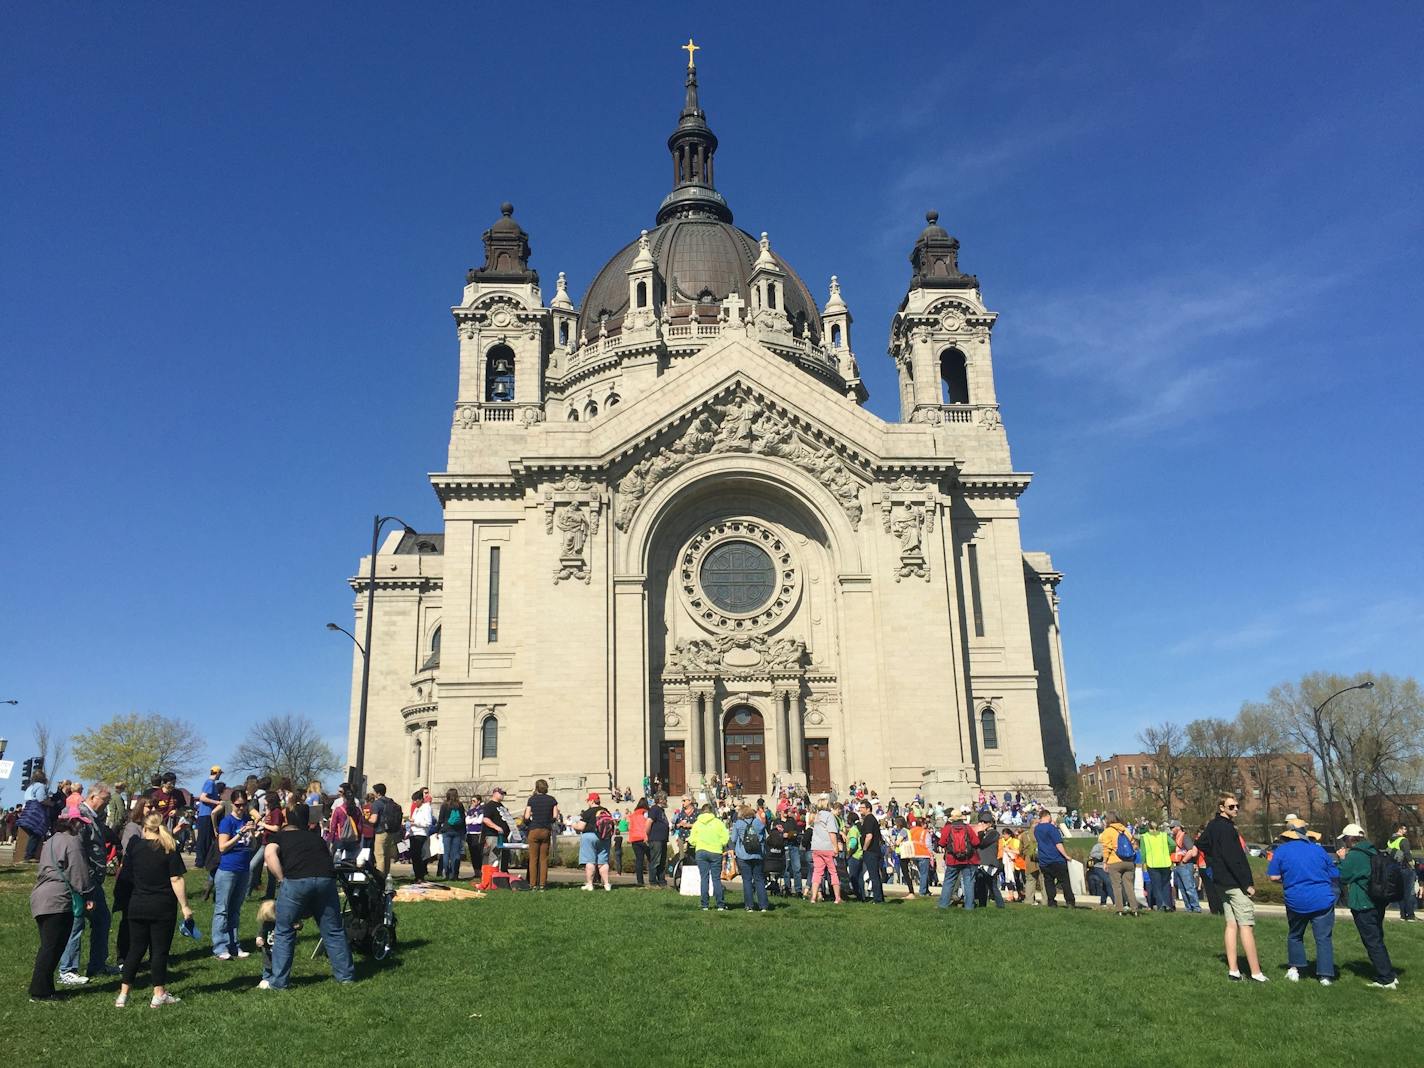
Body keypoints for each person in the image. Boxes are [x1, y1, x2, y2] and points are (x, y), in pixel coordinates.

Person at [262, 803, 355, 989]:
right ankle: (345, 976)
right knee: (333, 930)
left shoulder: (279, 836)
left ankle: (279, 982)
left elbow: (269, 854)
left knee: (284, 931)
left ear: (287, 819)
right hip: (326, 880)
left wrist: (281, 879)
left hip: (296, 880)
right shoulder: (317, 838)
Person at [114, 812, 193, 1008]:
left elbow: (127, 872)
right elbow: (176, 879)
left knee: (135, 949)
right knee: (159, 951)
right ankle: (159, 993)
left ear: (144, 828)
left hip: (137, 903)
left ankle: (123, 994)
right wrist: (185, 906)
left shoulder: (134, 846)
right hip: (162, 905)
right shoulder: (168, 848)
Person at [1197, 795, 1267, 982]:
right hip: (1234, 883)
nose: (1236, 809)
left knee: (1231, 924)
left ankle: (1234, 970)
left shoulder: (1212, 825)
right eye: (1231, 806)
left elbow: (1201, 843)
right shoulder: (1227, 829)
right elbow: (1234, 859)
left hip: (1220, 882)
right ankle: (1256, 973)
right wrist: (1247, 884)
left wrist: (1213, 861)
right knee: (1246, 926)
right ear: (1222, 808)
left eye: (1237, 805)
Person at [29, 814, 95, 1001]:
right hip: (58, 898)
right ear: (73, 823)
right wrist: (88, 893)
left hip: (41, 896)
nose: (83, 828)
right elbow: (78, 870)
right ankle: (39, 991)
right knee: (52, 946)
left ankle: (46, 987)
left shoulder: (51, 841)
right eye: (81, 824)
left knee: (50, 945)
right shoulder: (72, 842)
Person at [1266, 817, 1337, 985]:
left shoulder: (1281, 852)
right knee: (1323, 938)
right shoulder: (1319, 851)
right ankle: (1325, 975)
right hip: (1322, 899)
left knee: (1295, 935)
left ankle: (1295, 969)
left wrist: (1287, 879)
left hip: (1296, 899)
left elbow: (1273, 876)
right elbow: (1334, 874)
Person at [58, 783, 116, 983]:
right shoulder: (80, 815)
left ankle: (97, 965)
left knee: (102, 920)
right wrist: (86, 875)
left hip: (94, 881)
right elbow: (76, 849)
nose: (107, 806)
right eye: (105, 801)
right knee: (77, 922)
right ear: (93, 797)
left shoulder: (95, 817)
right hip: (82, 879)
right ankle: (67, 969)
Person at [1336, 823, 1399, 988]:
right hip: (1378, 901)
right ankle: (1389, 973)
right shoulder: (1373, 850)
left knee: (1372, 941)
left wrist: (1342, 860)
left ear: (1350, 839)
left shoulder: (1355, 855)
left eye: (1344, 840)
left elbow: (1343, 876)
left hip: (1363, 903)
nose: (1344, 843)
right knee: (1378, 938)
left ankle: (1386, 979)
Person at [211, 786, 255, 960]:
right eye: (238, 805)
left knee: (235, 909)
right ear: (232, 804)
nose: (241, 808)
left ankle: (234, 944)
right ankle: (220, 947)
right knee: (222, 909)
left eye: (244, 804)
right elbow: (222, 847)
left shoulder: (247, 819)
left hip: (243, 869)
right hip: (228, 869)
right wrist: (239, 834)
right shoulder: (227, 822)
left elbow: (252, 846)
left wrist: (252, 834)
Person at [1033, 808, 1076, 909]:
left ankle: (1051, 901)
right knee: (1064, 881)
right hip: (1056, 859)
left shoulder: (1037, 829)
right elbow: (1058, 843)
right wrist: (1066, 855)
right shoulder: (1051, 828)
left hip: (1044, 860)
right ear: (1048, 816)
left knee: (1049, 882)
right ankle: (1070, 901)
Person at [689, 803, 729, 910]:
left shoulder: (697, 823)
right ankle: (720, 904)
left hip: (701, 851)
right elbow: (726, 837)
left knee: (704, 878)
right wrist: (720, 844)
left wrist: (697, 843)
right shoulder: (718, 823)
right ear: (712, 811)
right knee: (716, 879)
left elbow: (691, 839)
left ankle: (704, 904)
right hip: (715, 851)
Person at [1098, 813, 1141, 916]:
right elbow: (1134, 844)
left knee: (1117, 886)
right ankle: (1134, 909)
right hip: (1129, 861)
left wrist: (1105, 862)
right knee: (1129, 886)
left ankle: (1120, 909)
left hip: (1115, 861)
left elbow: (1106, 848)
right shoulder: (1125, 830)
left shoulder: (1108, 832)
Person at [937, 809, 980, 910]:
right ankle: (969, 906)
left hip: (952, 859)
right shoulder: (967, 828)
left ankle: (943, 905)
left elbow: (942, 843)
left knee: (948, 882)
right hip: (968, 859)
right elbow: (976, 842)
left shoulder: (947, 828)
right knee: (968, 882)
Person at [523, 780, 561, 891]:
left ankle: (533, 884)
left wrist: (530, 824)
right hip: (545, 830)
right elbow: (555, 816)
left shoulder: (532, 799)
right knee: (543, 859)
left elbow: (526, 816)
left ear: (536, 788)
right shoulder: (552, 800)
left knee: (533, 858)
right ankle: (543, 884)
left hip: (534, 829)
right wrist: (548, 821)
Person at [731, 804, 769, 912]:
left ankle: (749, 906)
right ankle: (763, 906)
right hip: (757, 855)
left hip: (743, 855)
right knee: (759, 880)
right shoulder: (758, 823)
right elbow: (763, 837)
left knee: (747, 880)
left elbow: (733, 839)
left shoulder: (738, 824)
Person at [575, 792, 614, 892]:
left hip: (590, 836)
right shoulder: (605, 811)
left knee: (590, 861)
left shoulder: (588, 812)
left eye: (588, 800)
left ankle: (590, 884)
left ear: (592, 801)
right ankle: (606, 884)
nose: (587, 802)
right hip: (604, 837)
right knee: (603, 862)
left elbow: (580, 827)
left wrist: (572, 825)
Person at [809, 796, 843, 904]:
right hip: (827, 847)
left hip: (816, 847)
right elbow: (832, 833)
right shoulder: (830, 816)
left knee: (817, 872)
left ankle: (813, 897)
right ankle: (837, 898)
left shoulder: (816, 816)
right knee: (833, 872)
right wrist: (835, 847)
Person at [1169, 819, 1203, 913]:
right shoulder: (1175, 838)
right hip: (1178, 866)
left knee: (1189, 888)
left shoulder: (1184, 837)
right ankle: (1189, 909)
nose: (1171, 829)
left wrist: (1184, 860)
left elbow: (1192, 851)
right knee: (1182, 889)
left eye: (1172, 827)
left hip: (1185, 865)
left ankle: (1196, 908)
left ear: (1178, 827)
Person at [857, 800, 886, 904]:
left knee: (873, 876)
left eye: (862, 808)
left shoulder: (869, 819)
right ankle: (880, 897)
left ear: (868, 808)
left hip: (871, 851)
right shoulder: (871, 819)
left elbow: (869, 836)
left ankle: (877, 899)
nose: (860, 810)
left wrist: (864, 848)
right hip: (875, 851)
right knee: (876, 875)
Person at [193, 765, 222, 870]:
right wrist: (218, 802)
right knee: (203, 838)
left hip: (207, 814)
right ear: (217, 773)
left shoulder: (211, 783)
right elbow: (203, 797)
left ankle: (205, 860)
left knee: (207, 838)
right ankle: (200, 861)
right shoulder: (210, 783)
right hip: (205, 814)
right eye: (220, 773)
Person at [1140, 820, 1174, 911]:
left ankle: (1161, 905)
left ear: (1148, 827)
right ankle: (1168, 905)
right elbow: (1173, 844)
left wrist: (1143, 863)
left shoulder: (1145, 837)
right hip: (1165, 863)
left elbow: (1143, 852)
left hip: (1152, 864)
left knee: (1157, 886)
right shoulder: (1164, 835)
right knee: (1166, 885)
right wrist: (1168, 851)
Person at [973, 812, 1004, 908]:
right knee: (981, 886)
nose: (982, 824)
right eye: (981, 822)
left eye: (985, 822)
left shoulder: (994, 833)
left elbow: (982, 844)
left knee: (993, 886)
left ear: (990, 823)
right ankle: (982, 905)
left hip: (990, 863)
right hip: (981, 862)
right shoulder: (984, 834)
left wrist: (980, 832)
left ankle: (1000, 905)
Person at [371, 783, 402, 881]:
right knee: (387, 855)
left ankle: (380, 878)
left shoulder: (377, 803)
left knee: (379, 855)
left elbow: (374, 819)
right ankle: (387, 875)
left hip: (381, 831)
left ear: (378, 793)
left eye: (374, 791)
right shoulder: (391, 802)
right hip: (391, 831)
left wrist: (365, 819)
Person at [434, 788, 466, 881]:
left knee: (446, 853)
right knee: (456, 854)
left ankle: (446, 873)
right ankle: (455, 874)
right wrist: (464, 832)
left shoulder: (444, 805)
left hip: (446, 830)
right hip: (457, 831)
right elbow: (463, 819)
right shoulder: (460, 805)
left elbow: (440, 819)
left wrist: (437, 830)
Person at [1386, 823, 1416, 921]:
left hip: (1395, 869)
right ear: (1400, 829)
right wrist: (1412, 865)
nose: (1406, 831)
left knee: (1401, 892)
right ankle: (1410, 915)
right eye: (1404, 829)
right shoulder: (1403, 840)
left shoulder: (1390, 841)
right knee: (1409, 892)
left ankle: (1403, 915)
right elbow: (1407, 854)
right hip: (1406, 868)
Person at [406, 789, 433, 882]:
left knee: (418, 855)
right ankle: (417, 876)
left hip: (421, 833)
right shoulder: (416, 809)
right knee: (414, 855)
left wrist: (415, 823)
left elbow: (428, 822)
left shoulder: (426, 808)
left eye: (416, 800)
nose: (414, 802)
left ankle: (420, 876)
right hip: (413, 833)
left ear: (421, 799)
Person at [627, 799, 651, 886]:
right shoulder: (646, 813)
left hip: (634, 839)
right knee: (651, 859)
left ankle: (639, 881)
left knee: (639, 860)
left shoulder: (633, 814)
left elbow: (630, 827)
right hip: (644, 838)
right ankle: (653, 879)